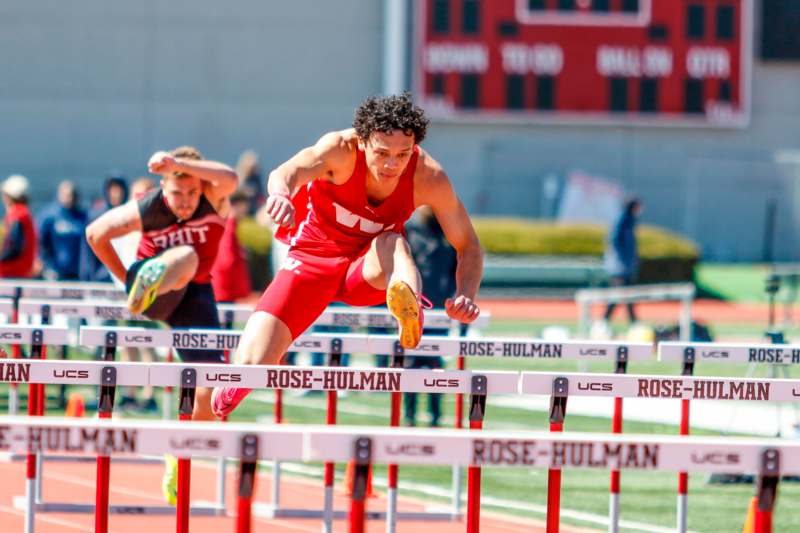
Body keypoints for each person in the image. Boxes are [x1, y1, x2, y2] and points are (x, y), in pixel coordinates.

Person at [211, 92, 483, 418]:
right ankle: (224, 395)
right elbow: (288, 171)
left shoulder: (428, 176)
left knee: (393, 242)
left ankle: (410, 306)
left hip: (365, 271)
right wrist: (281, 195)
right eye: (382, 153)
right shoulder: (339, 149)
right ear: (363, 141)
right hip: (312, 262)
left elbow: (468, 245)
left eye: (403, 154)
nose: (392, 164)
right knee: (251, 366)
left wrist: (465, 294)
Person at [85, 146, 237, 504]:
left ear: (201, 186)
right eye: (175, 193)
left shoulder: (214, 197)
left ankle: (177, 452)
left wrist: (178, 165)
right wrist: (126, 280)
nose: (184, 203)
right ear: (162, 187)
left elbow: (230, 177)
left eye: (190, 193)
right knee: (185, 255)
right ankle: (147, 282)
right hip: (156, 291)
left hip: (195, 297)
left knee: (215, 391)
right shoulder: (150, 205)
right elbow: (95, 234)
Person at [402, 206, 457, 427]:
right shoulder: (411, 231)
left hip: (440, 308)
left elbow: (456, 269)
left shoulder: (450, 233)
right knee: (412, 363)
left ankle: (435, 414)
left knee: (436, 363)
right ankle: (409, 413)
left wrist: (451, 294)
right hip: (414, 308)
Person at [80, 175, 128, 282]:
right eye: (112, 190)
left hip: (125, 275)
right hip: (102, 278)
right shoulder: (96, 217)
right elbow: (87, 251)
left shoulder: (130, 216)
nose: (116, 194)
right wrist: (89, 276)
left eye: (119, 190)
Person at [603, 197, 643, 323]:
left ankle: (633, 322)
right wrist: (622, 259)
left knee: (627, 295)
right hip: (619, 267)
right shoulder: (622, 220)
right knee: (618, 295)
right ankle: (603, 321)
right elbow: (614, 241)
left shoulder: (630, 221)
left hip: (626, 266)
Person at [38, 180, 87, 281]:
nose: (70, 198)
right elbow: (41, 243)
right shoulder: (50, 217)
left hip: (77, 273)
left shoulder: (83, 217)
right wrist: (48, 265)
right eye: (66, 195)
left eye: (72, 195)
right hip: (55, 273)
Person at [211, 190, 252, 303]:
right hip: (225, 288)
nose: (247, 209)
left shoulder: (223, 221)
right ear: (237, 205)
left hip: (222, 286)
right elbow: (228, 258)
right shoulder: (229, 224)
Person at [0, 175, 36, 279]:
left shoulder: (18, 215)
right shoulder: (26, 214)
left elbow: (14, 248)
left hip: (11, 276)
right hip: (20, 274)